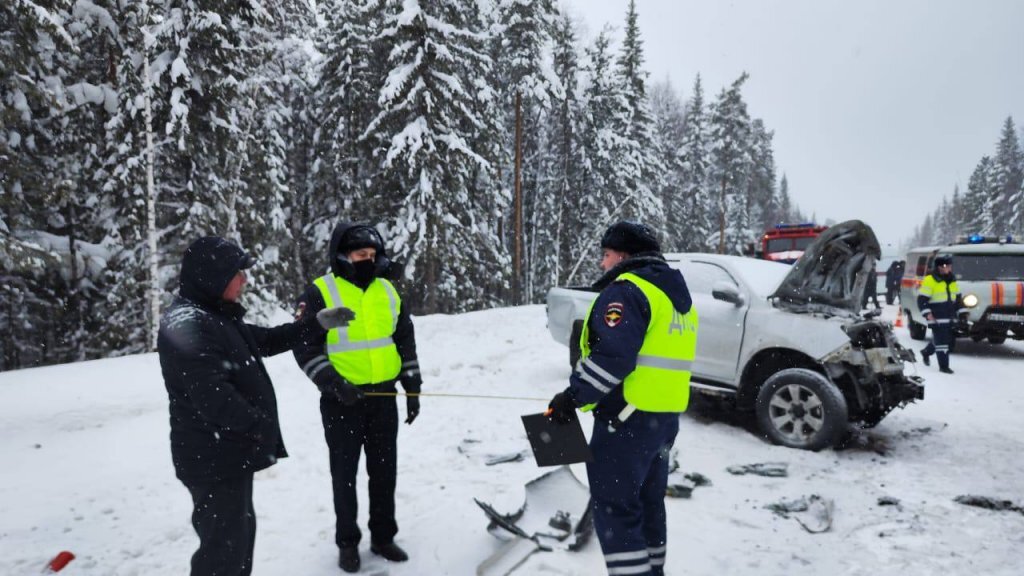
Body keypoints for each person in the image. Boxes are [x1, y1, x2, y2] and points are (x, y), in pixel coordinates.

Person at [547, 221, 698, 576]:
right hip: (662, 420)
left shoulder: (627, 292)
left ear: (624, 256)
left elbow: (613, 357)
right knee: (647, 504)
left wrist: (573, 397)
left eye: (606, 255)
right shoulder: (674, 297)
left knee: (616, 509)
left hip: (626, 420)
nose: (602, 264)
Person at [158, 236, 304, 576]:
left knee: (235, 547)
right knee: (222, 557)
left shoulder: (213, 316)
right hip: (212, 461)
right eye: (239, 273)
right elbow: (213, 398)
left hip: (227, 456)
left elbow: (265, 340)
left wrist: (315, 326)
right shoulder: (188, 323)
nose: (245, 281)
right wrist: (260, 424)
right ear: (215, 275)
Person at [293, 222, 422, 573]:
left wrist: (412, 386)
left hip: (383, 397)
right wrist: (334, 384)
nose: (367, 261)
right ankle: (347, 542)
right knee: (345, 475)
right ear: (342, 256)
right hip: (341, 402)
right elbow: (304, 347)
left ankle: (383, 537)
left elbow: (404, 339)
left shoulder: (388, 290)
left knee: (384, 472)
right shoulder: (320, 292)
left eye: (372, 255)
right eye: (359, 255)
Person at [918, 254, 962, 374]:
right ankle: (944, 366)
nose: (948, 268)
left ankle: (926, 352)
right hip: (936, 316)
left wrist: (962, 312)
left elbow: (958, 298)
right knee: (942, 342)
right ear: (939, 267)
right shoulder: (930, 280)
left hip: (949, 315)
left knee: (944, 339)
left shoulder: (952, 280)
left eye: (949, 266)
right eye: (946, 266)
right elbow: (922, 300)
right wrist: (928, 314)